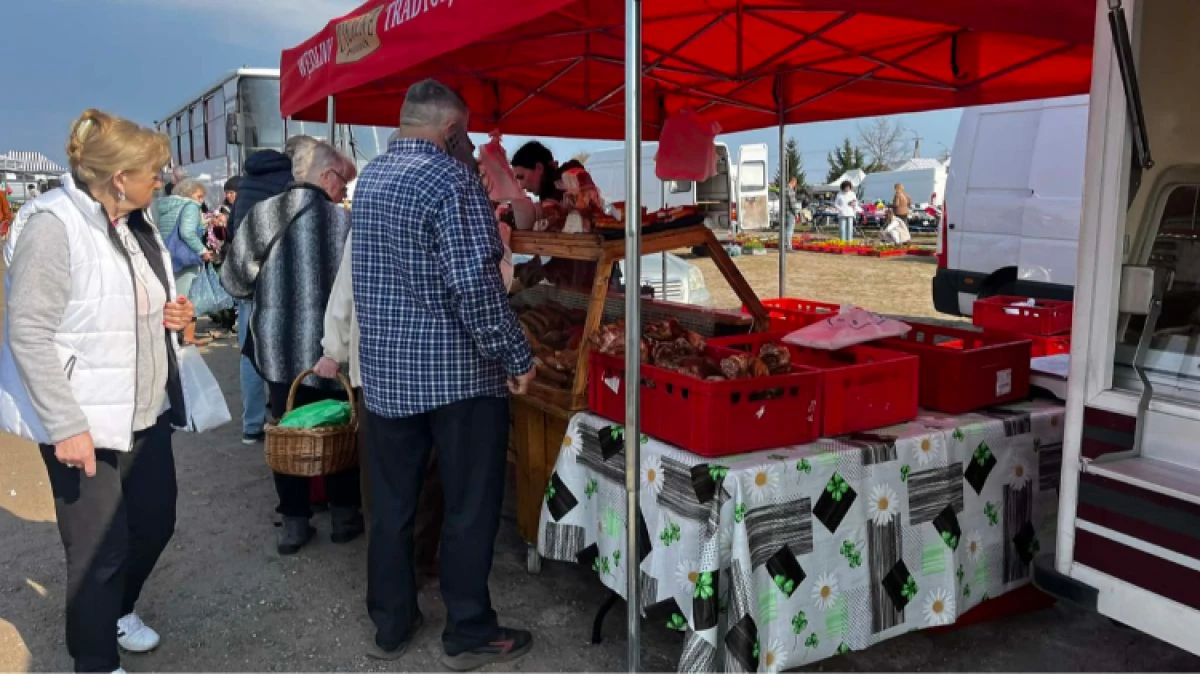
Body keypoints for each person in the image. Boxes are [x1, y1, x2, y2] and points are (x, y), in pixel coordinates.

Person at [0, 109, 194, 673]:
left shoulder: (136, 221)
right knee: (97, 552)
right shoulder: (51, 225)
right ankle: (95, 661)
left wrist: (173, 311)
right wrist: (66, 426)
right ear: (119, 178)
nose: (162, 178)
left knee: (156, 521)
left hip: (143, 410)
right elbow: (28, 332)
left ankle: (118, 610)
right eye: (154, 170)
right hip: (82, 419)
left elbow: (125, 304)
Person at [353, 79, 535, 669]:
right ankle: (468, 629)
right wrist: (517, 356)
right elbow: (475, 287)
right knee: (468, 505)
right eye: (467, 133)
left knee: (393, 502)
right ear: (452, 131)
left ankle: (392, 620)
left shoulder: (371, 177)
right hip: (458, 378)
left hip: (387, 375)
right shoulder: (452, 180)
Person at [221, 138, 363, 555]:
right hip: (332, 353)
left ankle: (295, 522)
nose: (344, 191)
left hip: (279, 352)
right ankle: (343, 516)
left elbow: (234, 282)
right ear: (325, 175)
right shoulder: (344, 224)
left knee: (287, 431)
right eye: (343, 181)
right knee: (339, 427)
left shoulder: (263, 216)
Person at [314, 233, 444, 579]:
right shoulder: (439, 210)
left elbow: (345, 289)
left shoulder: (367, 218)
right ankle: (415, 562)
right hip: (427, 369)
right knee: (426, 473)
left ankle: (392, 572)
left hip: (376, 367)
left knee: (383, 477)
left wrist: (334, 349)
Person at [228, 137, 318, 445]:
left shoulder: (247, 182)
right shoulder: (288, 184)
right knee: (283, 349)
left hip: (245, 276)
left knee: (249, 353)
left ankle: (252, 424)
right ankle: (286, 419)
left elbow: (231, 229)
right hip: (277, 281)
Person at [152, 177, 212, 346]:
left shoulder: (165, 205)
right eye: (199, 196)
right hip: (186, 258)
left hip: (168, 256)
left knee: (172, 294)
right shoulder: (190, 206)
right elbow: (187, 232)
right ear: (190, 193)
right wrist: (202, 250)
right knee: (184, 297)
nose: (201, 200)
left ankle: (175, 335)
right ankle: (182, 336)